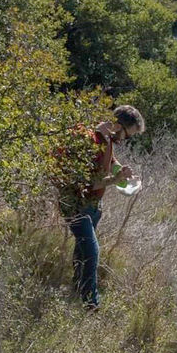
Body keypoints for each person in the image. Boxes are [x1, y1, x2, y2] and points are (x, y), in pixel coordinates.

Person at [56, 105, 145, 310]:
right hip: (77, 204)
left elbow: (109, 160)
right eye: (126, 134)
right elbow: (87, 183)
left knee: (82, 249)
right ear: (116, 124)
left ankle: (77, 288)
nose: (124, 140)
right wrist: (115, 180)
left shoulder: (106, 139)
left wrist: (119, 169)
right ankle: (91, 305)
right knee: (92, 251)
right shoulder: (91, 141)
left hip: (93, 206)